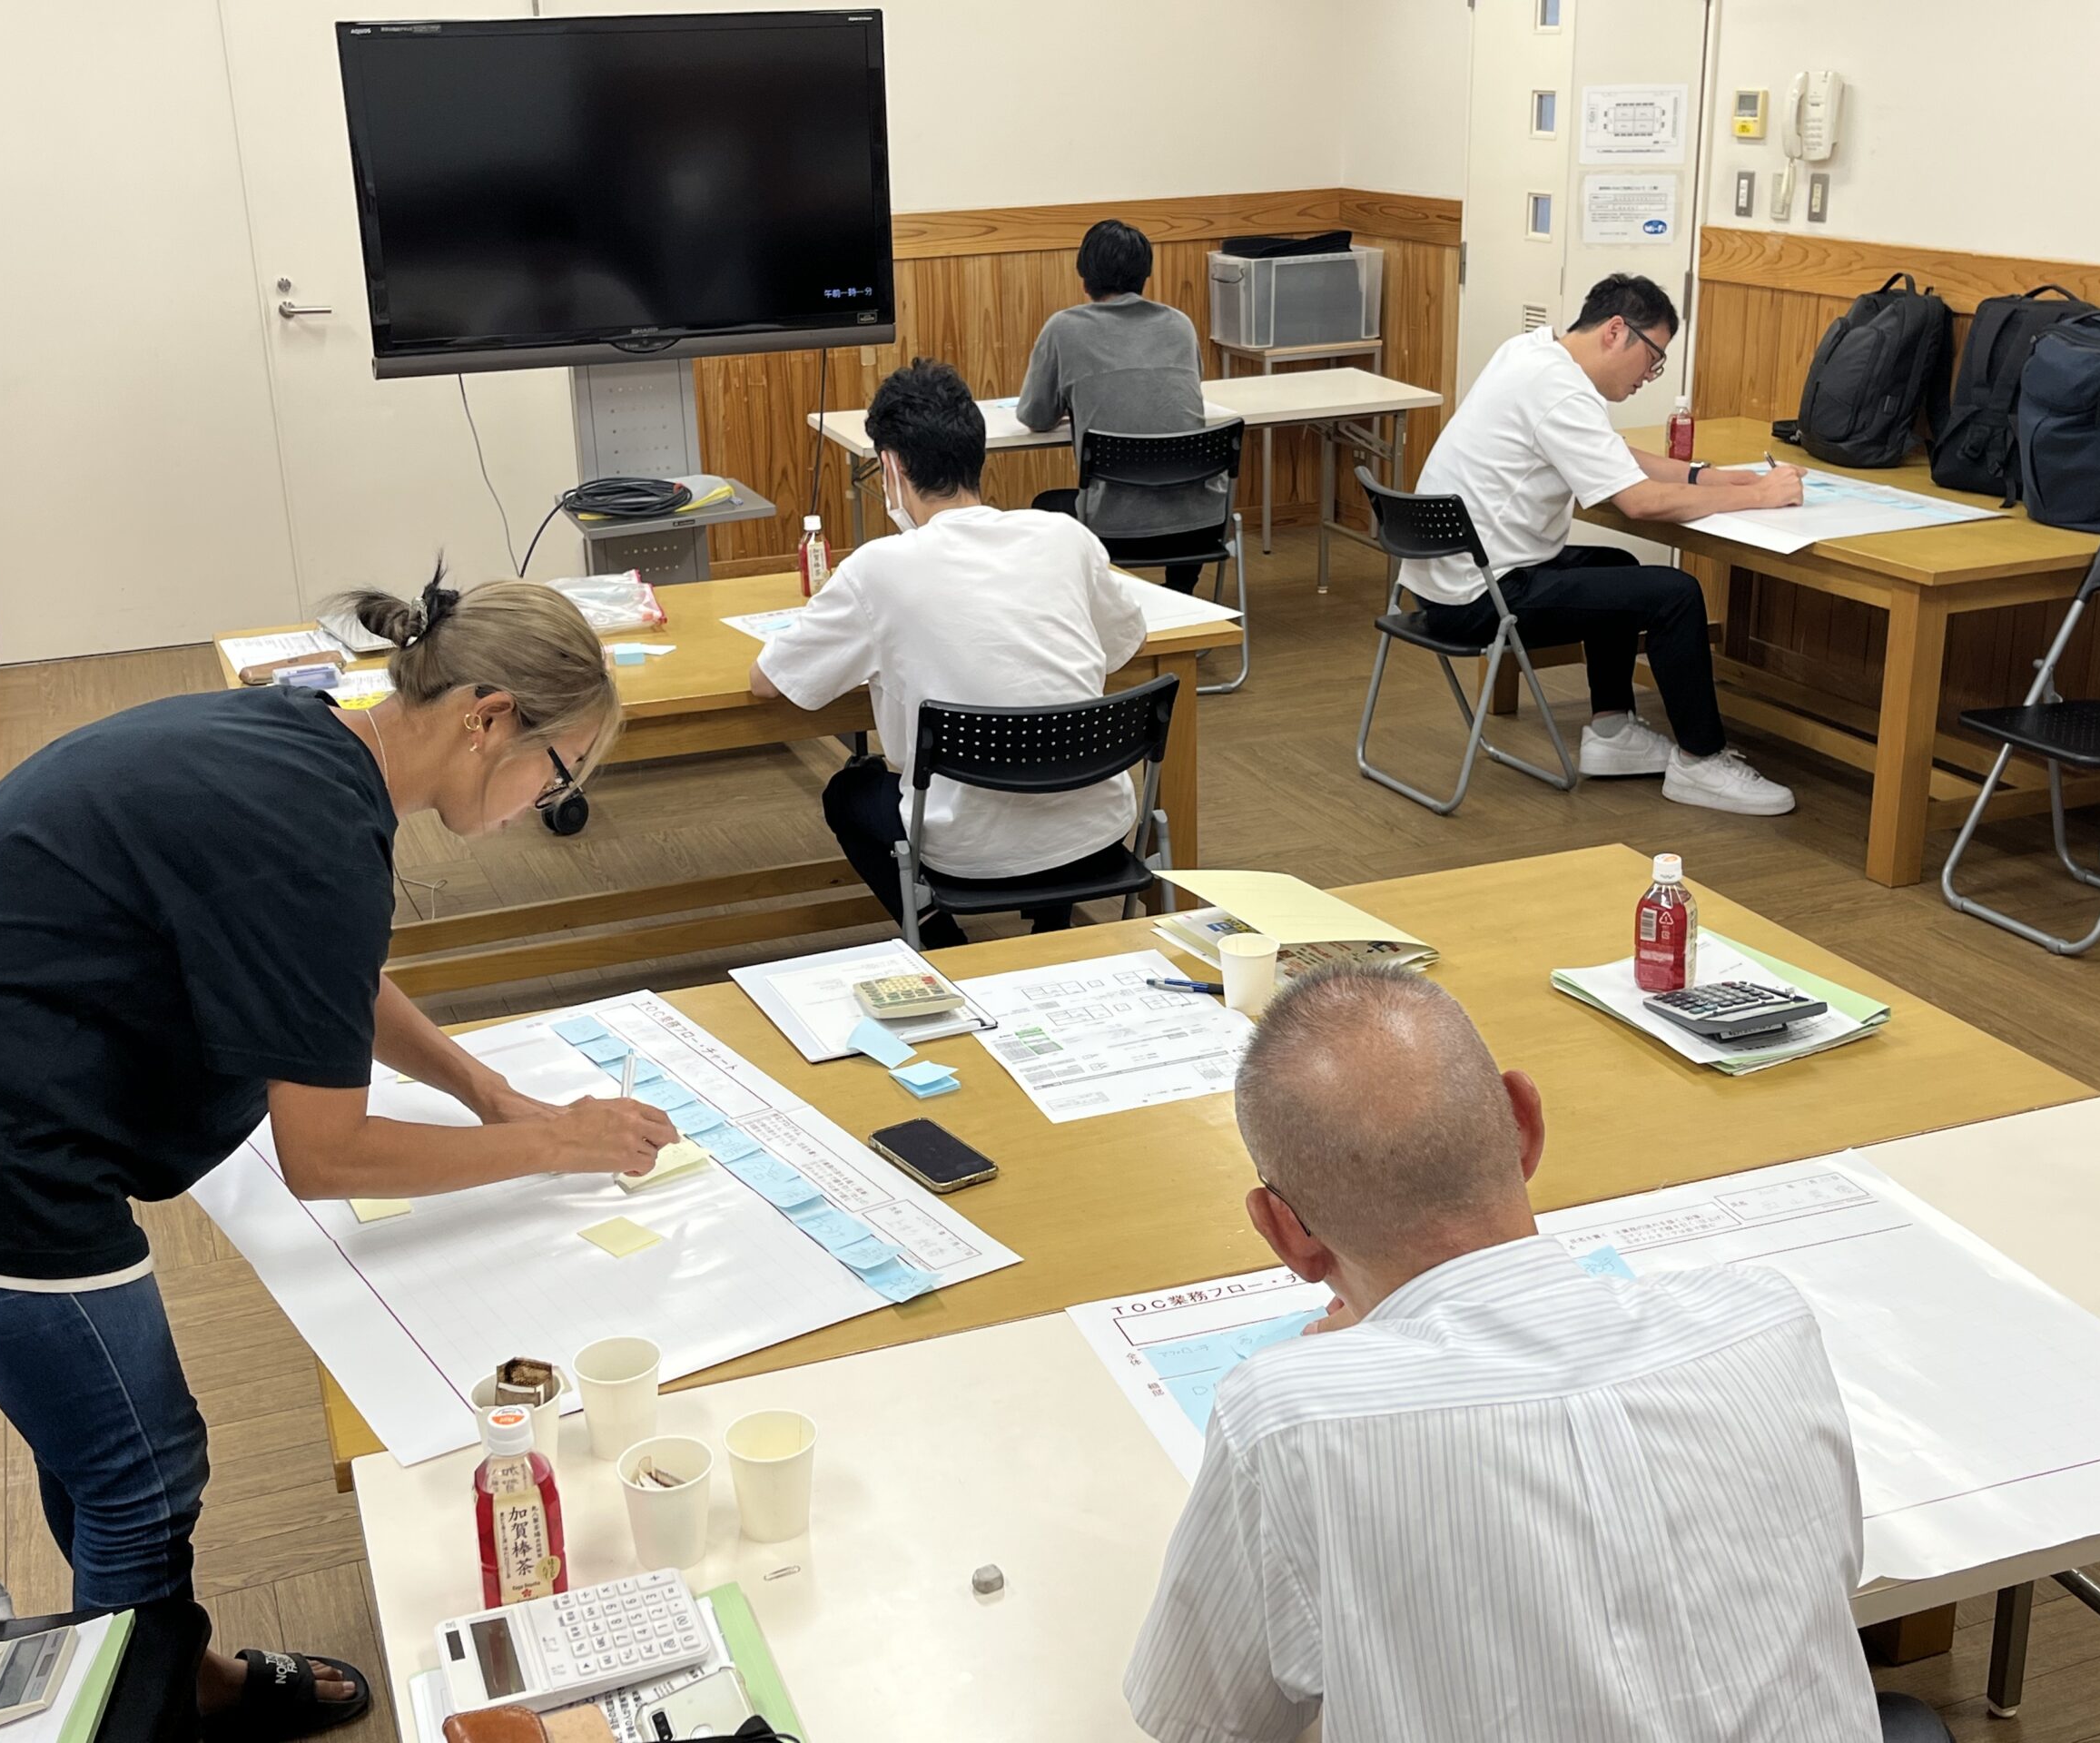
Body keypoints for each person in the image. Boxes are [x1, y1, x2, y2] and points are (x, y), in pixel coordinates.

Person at [0, 574, 677, 1739]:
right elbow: (325, 1154)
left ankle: (174, 1670)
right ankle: (138, 1713)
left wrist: (485, 1094)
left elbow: (324, 971)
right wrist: (549, 1142)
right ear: (487, 720)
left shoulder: (307, 742)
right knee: (141, 1469)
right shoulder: (317, 833)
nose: (546, 804)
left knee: (93, 1442)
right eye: (557, 774)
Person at [1126, 966, 1879, 1743]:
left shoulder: (1286, 1421)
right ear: (1524, 1125)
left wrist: (1346, 1368)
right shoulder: (1765, 1319)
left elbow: (1202, 1721)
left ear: (1286, 1233)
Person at [753, 359, 1148, 948]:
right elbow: (1126, 644)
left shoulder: (878, 569)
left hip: (966, 849)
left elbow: (769, 683)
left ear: (890, 466)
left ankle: (940, 940)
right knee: (1047, 737)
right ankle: (1051, 925)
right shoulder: (1063, 536)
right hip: (1096, 828)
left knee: (850, 791)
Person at [1403, 272, 1803, 815]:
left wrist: (1708, 477)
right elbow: (1638, 501)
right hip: (1479, 601)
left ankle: (1613, 732)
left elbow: (1609, 452)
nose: (1650, 376)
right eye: (1653, 358)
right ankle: (1701, 762)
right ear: (1616, 331)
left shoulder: (1529, 353)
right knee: (1675, 594)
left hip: (1445, 585)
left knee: (1619, 565)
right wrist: (1758, 496)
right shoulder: (1561, 390)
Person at [1017, 218, 1227, 596]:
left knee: (1045, 507)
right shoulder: (1179, 325)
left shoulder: (1064, 328)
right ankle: (1181, 591)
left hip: (1112, 529)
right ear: (1145, 274)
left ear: (1084, 276)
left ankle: (1092, 602)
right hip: (1203, 526)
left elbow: (1036, 416)